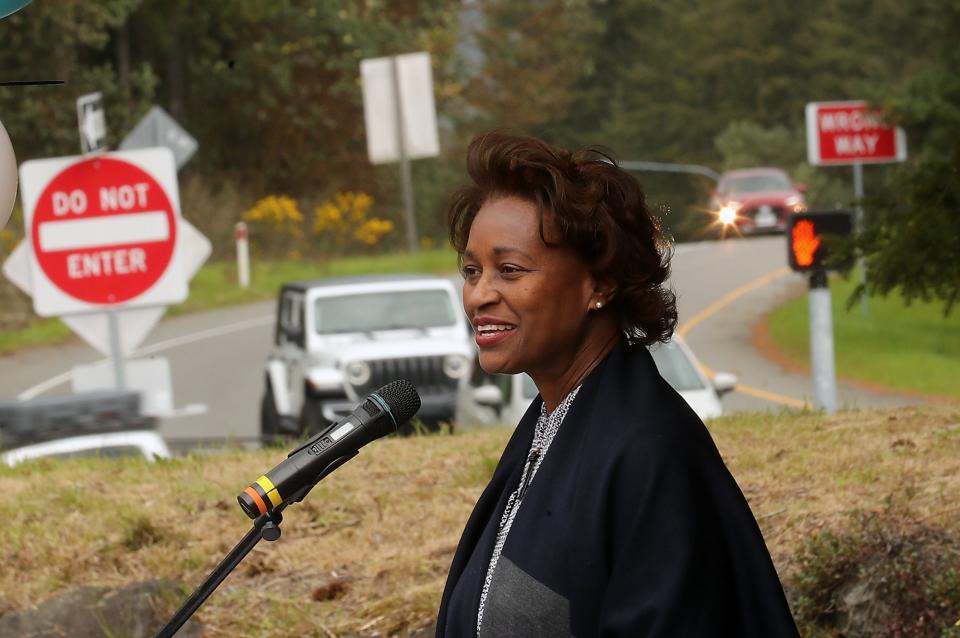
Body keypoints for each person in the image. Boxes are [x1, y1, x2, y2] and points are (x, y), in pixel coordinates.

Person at [436, 131, 799, 637]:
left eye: (510, 270)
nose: (479, 295)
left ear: (600, 285)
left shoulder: (650, 450)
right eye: (472, 271)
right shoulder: (549, 426)